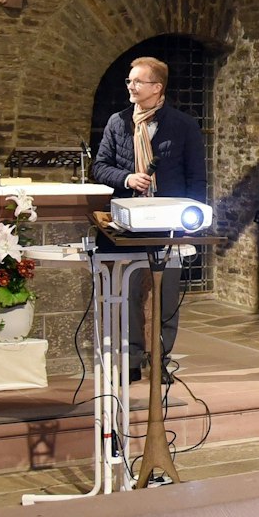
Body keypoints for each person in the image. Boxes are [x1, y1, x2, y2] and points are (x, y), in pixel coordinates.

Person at [93, 55, 209, 382]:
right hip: (129, 223)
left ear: (156, 87)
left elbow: (196, 178)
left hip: (168, 223)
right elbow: (100, 166)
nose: (131, 86)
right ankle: (130, 359)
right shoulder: (118, 122)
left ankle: (160, 359)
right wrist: (127, 178)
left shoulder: (183, 125)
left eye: (138, 81)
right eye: (130, 81)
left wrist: (192, 225)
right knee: (128, 292)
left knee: (166, 296)